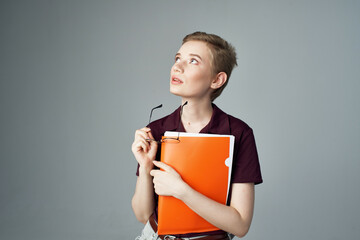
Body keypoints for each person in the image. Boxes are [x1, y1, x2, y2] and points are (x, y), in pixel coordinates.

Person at [131, 31, 262, 240]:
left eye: (193, 61)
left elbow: (240, 225)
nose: (177, 67)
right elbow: (142, 214)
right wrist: (146, 167)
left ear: (217, 79)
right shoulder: (156, 130)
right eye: (177, 58)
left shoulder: (239, 134)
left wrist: (181, 190)